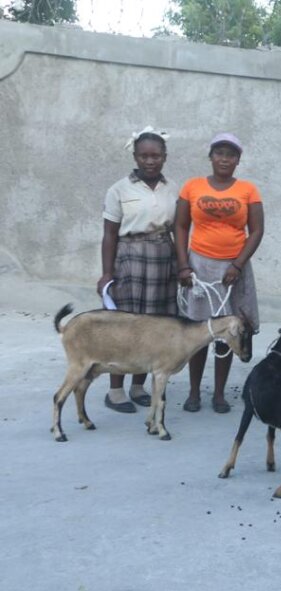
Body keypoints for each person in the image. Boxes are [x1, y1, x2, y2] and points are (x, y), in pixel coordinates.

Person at [175, 133, 263, 413]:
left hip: (233, 270)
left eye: (231, 154)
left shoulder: (248, 190)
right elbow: (179, 227)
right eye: (219, 153)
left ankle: (220, 394)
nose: (225, 159)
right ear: (211, 156)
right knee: (199, 330)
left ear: (238, 160)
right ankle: (193, 392)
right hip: (199, 267)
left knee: (228, 330)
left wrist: (237, 265)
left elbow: (257, 230)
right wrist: (184, 265)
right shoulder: (192, 187)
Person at [98, 127, 179, 413]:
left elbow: (178, 230)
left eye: (155, 155)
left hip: (162, 260)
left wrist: (182, 266)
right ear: (135, 156)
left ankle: (138, 386)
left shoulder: (173, 189)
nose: (150, 161)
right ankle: (116, 390)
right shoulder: (119, 189)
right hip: (129, 259)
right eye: (144, 155)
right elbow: (109, 234)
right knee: (125, 326)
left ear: (164, 157)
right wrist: (107, 273)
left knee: (153, 326)